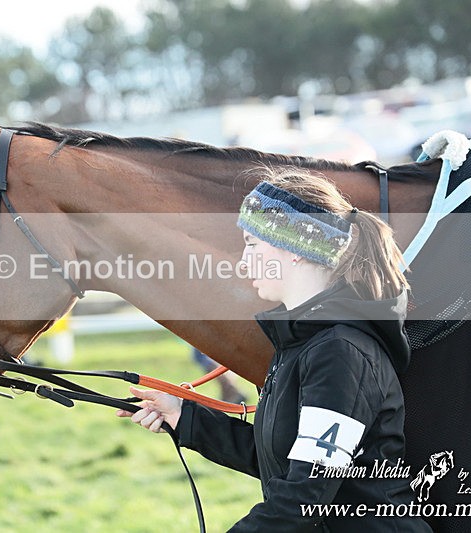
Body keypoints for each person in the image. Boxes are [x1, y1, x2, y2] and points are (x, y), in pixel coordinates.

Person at [117, 167, 432, 531]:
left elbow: (304, 497)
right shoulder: (303, 342)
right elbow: (283, 461)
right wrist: (182, 416)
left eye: (252, 244)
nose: (243, 260)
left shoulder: (340, 353)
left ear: (294, 248)